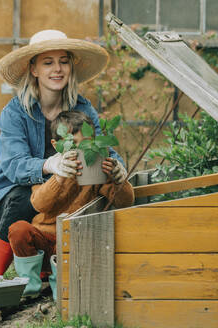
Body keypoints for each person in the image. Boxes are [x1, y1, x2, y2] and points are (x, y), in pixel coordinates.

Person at [0, 30, 128, 279]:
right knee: (22, 194)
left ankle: (51, 270)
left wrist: (118, 167)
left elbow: (103, 149)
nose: (57, 69)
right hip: (6, 208)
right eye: (48, 62)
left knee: (91, 188)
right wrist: (51, 163)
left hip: (57, 207)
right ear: (34, 69)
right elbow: (14, 167)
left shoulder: (83, 109)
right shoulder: (15, 112)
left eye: (64, 61)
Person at [9, 110, 134, 298]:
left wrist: (118, 180)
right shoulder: (52, 169)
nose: (82, 150)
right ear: (57, 146)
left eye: (87, 143)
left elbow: (125, 202)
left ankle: (61, 286)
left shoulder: (96, 173)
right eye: (74, 144)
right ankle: (30, 286)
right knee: (18, 230)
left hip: (74, 243)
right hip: (45, 239)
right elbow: (39, 203)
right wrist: (59, 177)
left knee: (72, 240)